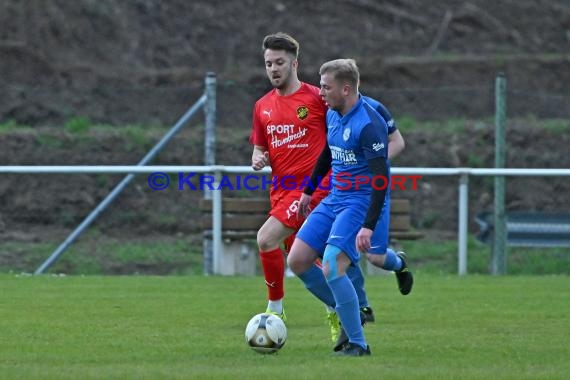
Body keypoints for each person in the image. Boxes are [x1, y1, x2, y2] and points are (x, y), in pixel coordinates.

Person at [249, 32, 406, 343]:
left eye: (280, 62)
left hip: (322, 190)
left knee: (267, 239)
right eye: (268, 63)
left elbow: (358, 108)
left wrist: (382, 142)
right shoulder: (262, 106)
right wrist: (258, 155)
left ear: (294, 63)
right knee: (309, 258)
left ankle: (276, 310)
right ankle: (347, 308)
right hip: (285, 191)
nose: (274, 69)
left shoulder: (315, 98)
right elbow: (261, 145)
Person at [287, 58, 413, 356]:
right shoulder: (333, 113)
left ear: (345, 89)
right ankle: (348, 309)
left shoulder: (368, 124)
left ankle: (358, 342)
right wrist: (308, 192)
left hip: (360, 202)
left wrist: (368, 225)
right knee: (297, 260)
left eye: (325, 87)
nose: (320, 93)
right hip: (334, 197)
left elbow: (381, 180)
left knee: (339, 264)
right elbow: (328, 153)